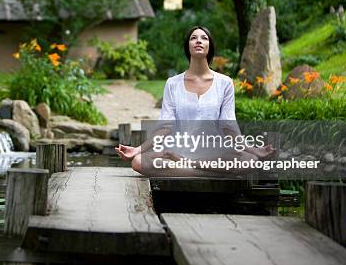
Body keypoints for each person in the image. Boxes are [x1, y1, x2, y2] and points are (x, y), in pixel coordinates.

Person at [115, 25, 274, 175]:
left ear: (209, 46)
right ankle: (208, 172)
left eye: (204, 38)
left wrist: (251, 149)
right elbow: (165, 127)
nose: (198, 40)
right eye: (193, 38)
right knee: (139, 161)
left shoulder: (224, 83)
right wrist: (137, 150)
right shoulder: (173, 83)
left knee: (251, 161)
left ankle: (189, 165)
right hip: (178, 150)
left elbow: (228, 125)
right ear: (188, 47)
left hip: (214, 153)